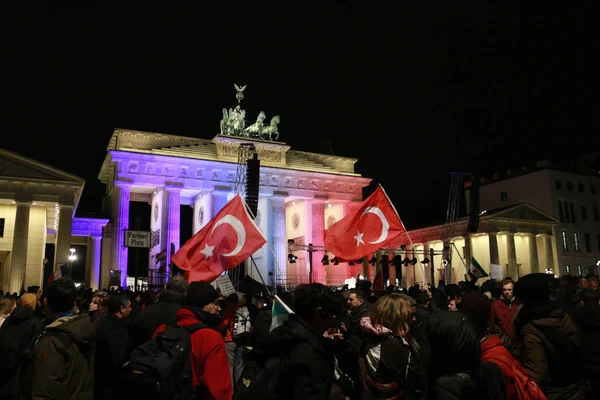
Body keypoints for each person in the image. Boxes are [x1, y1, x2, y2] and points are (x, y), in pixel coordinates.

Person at [29, 278, 95, 400]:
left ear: (46, 303)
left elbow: (43, 392)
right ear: (74, 304)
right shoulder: (87, 331)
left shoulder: (51, 341)